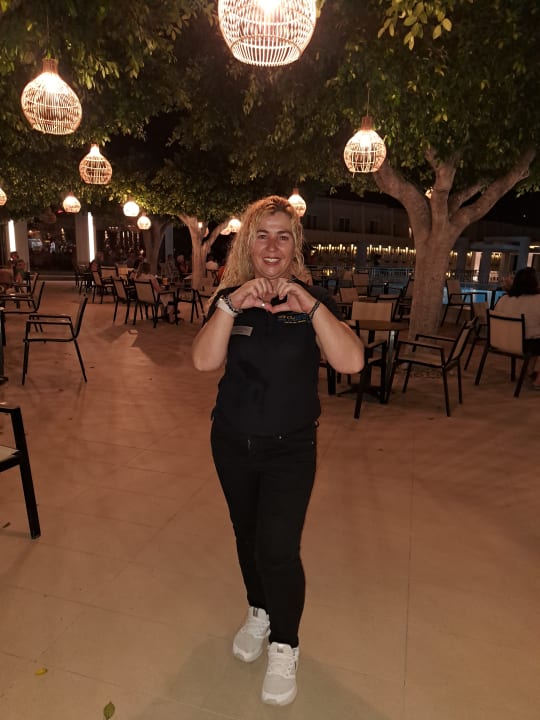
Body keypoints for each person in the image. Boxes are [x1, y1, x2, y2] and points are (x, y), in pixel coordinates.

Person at [192, 195, 364, 706]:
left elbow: (351, 362)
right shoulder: (229, 297)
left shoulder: (315, 300)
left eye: (282, 236)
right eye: (262, 235)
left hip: (291, 448)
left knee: (278, 549)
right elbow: (203, 362)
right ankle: (259, 611)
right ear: (248, 243)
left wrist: (309, 307)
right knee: (247, 536)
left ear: (295, 245)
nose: (272, 246)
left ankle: (285, 645)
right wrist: (231, 304)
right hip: (231, 441)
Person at [495, 266, 540, 388]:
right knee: (534, 338)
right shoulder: (537, 300)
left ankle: (527, 371)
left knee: (533, 336)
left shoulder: (504, 299)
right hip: (524, 345)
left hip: (500, 342)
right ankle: (538, 380)